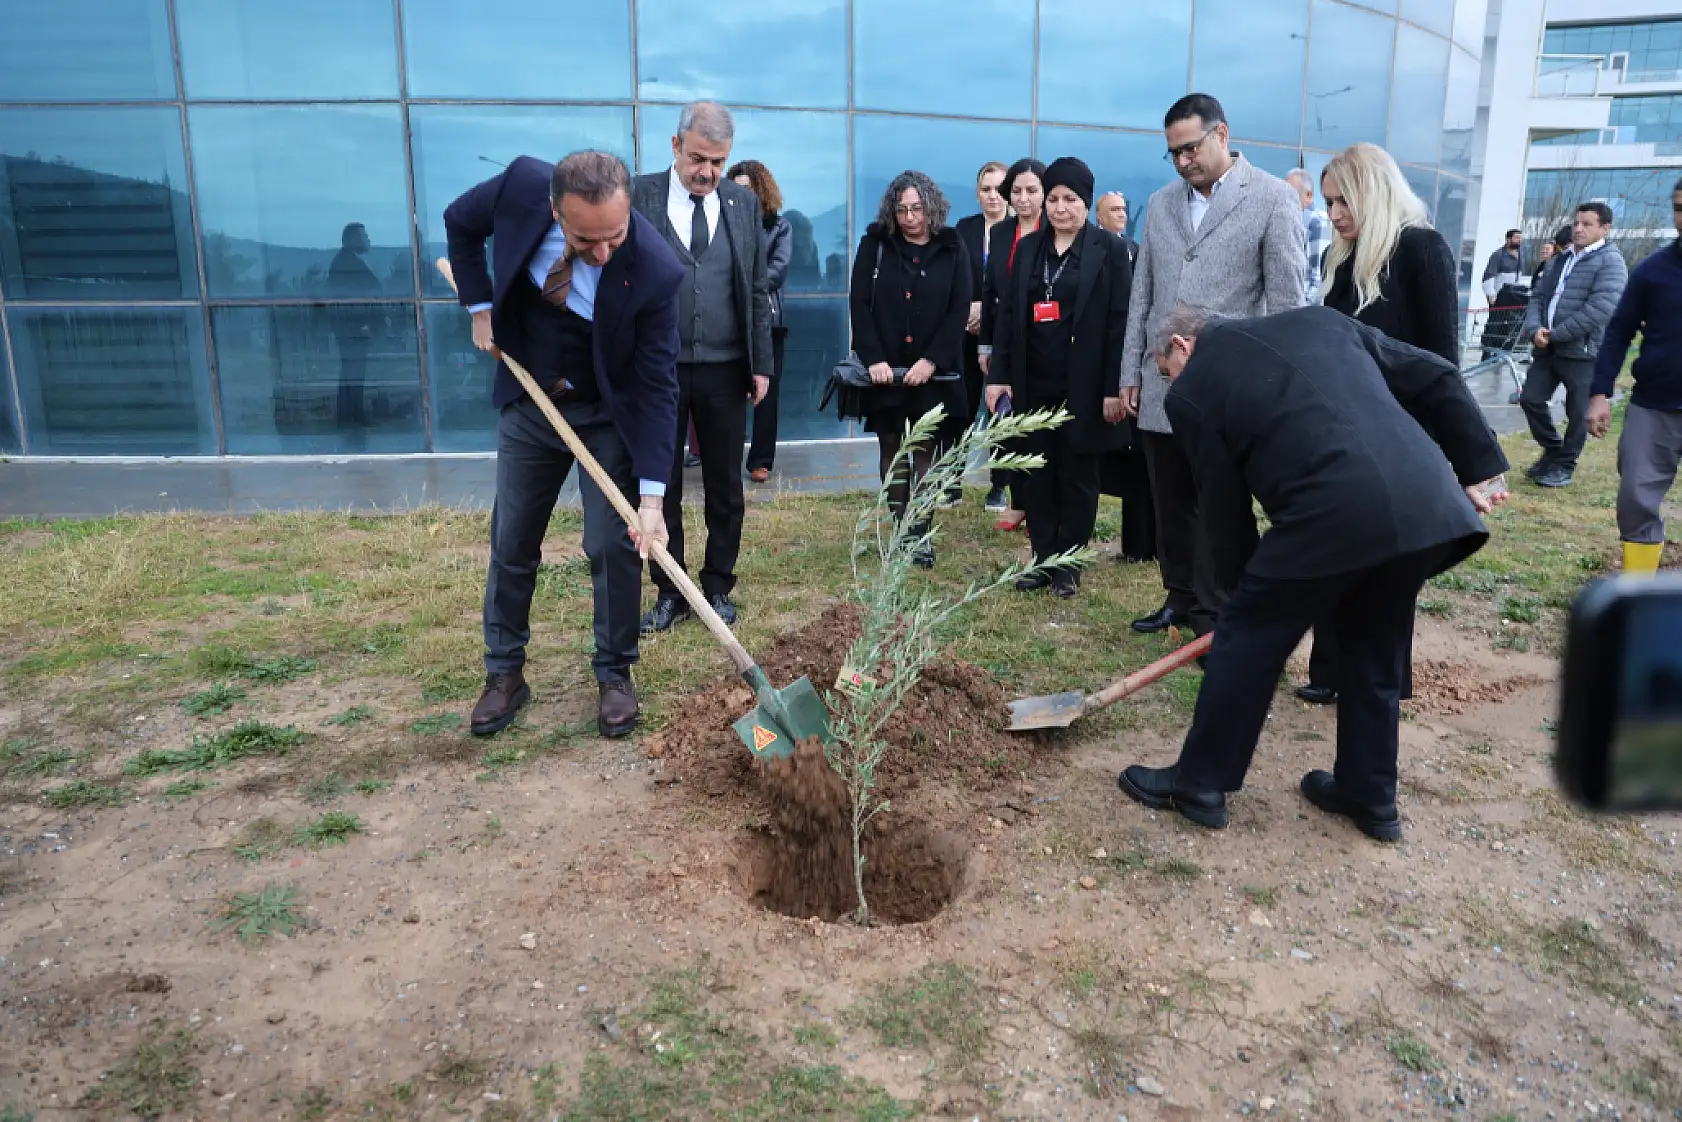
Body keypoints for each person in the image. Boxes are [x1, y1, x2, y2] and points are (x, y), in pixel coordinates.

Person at [1116, 305, 1509, 840]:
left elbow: (1223, 507)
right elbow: (1437, 373)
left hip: (1333, 509)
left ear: (1182, 345)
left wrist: (1240, 605)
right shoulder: (1324, 321)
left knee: (1248, 639)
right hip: (1424, 506)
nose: (1171, 385)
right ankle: (1369, 795)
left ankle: (1198, 783)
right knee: (1373, 646)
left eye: (1166, 372)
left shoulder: (1194, 389)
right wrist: (1479, 464)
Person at [444, 151, 682, 739]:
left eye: (615, 237)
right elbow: (460, 223)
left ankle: (615, 675)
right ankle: (504, 674)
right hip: (530, 400)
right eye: (585, 239)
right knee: (513, 538)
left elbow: (657, 387)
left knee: (612, 544)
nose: (603, 253)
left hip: (605, 413)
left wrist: (652, 501)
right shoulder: (521, 185)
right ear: (554, 211)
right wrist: (479, 308)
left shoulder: (655, 269)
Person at [1119, 93, 1306, 637]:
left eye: (1191, 148)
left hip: (1226, 390)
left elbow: (1288, 304)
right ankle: (1179, 598)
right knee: (1169, 501)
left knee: (1219, 507)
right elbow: (1142, 297)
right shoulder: (1159, 204)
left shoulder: (1272, 199)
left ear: (1222, 135)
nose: (1183, 162)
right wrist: (1129, 373)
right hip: (1160, 384)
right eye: (1173, 153)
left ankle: (1218, 613)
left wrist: (1276, 386)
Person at [1296, 143, 1463, 706]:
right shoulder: (1337, 259)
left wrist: (1446, 447)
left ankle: (1384, 680)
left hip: (1401, 432)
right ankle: (1331, 670)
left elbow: (1442, 360)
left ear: (1375, 193)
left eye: (1344, 200)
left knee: (1388, 566)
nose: (1335, 213)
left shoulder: (1423, 249)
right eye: (1328, 202)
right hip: (1342, 428)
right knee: (1339, 549)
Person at [629, 101, 772, 633]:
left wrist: (762, 366)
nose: (707, 172)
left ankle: (717, 586)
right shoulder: (638, 195)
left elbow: (756, 289)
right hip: (657, 372)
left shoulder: (741, 203)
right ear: (675, 146)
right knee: (658, 483)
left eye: (717, 161)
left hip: (725, 369)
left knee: (724, 487)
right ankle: (671, 590)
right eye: (698, 159)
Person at [985, 157, 1131, 598]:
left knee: (1079, 477)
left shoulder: (1109, 250)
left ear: (1086, 203)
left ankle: (1069, 563)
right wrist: (999, 375)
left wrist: (1112, 389)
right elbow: (1009, 318)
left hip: (1085, 389)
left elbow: (1119, 324)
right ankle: (1043, 558)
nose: (1059, 208)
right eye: (1053, 199)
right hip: (1034, 383)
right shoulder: (1029, 249)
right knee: (1037, 475)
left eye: (1070, 199)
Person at [849, 170, 972, 570]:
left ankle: (920, 533)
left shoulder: (953, 247)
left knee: (924, 451)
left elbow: (959, 309)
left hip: (932, 372)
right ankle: (899, 527)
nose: (909, 217)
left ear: (931, 207)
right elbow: (859, 303)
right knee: (891, 447)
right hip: (885, 370)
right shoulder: (875, 244)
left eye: (916, 208)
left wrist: (932, 359)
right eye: (901, 209)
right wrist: (873, 359)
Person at [1586, 178, 1682, 577]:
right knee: (1635, 499)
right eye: (1679, 207)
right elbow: (1619, 331)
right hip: (1655, 406)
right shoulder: (1652, 272)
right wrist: (1599, 393)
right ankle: (1639, 589)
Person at [1520, 201, 1629, 489]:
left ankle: (1565, 465)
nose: (1578, 229)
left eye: (1587, 224)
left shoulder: (1611, 261)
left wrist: (1555, 333)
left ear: (1605, 228)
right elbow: (1537, 297)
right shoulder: (1560, 259)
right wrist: (1534, 330)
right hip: (1547, 348)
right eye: (1577, 223)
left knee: (1578, 412)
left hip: (1584, 352)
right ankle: (1553, 449)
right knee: (1530, 398)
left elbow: (1600, 308)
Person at [978, 157, 1046, 528]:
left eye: (1031, 191)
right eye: (1016, 191)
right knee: (1010, 423)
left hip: (1046, 343)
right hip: (1007, 341)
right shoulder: (1002, 233)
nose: (1022, 199)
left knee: (1041, 428)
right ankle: (1017, 499)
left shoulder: (1055, 229)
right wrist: (986, 346)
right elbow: (990, 294)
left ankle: (1041, 501)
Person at [950, 161, 1010, 508]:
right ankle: (952, 480)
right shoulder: (964, 229)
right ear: (977, 193)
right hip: (966, 335)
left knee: (1001, 410)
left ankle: (999, 483)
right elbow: (954, 279)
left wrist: (986, 310)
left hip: (1003, 336)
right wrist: (967, 310)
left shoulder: (1020, 231)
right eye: (985, 189)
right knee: (962, 407)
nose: (992, 195)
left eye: (998, 189)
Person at [729, 159, 793, 484]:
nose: (742, 196)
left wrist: (744, 289)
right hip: (727, 320)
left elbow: (777, 270)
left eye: (748, 190)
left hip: (768, 321)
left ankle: (761, 459)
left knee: (767, 393)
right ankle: (725, 455)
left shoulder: (779, 227)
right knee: (728, 390)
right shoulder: (721, 225)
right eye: (737, 189)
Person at [328, 222, 381, 438]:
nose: (368, 240)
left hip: (353, 329)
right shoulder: (345, 265)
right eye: (364, 236)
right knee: (353, 373)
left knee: (353, 373)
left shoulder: (348, 262)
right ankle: (351, 416)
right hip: (353, 330)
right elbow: (348, 299)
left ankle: (351, 415)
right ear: (352, 239)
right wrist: (362, 323)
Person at [1285, 169, 1334, 304]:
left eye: (1290, 193)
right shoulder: (1296, 220)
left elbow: (1316, 278)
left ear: (1308, 195)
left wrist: (1300, 309)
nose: (1283, 198)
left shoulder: (1313, 222)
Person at [1482, 228, 1525, 303]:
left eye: (1521, 238)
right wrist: (1491, 294)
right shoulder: (1498, 254)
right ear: (1508, 239)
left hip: (1514, 294)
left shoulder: (1521, 253)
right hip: (1499, 294)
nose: (1519, 240)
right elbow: (1488, 276)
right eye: (1517, 238)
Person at [1095, 191, 1138, 263]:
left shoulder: (1133, 247)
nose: (1122, 215)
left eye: (1124, 210)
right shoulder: (1087, 242)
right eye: (1115, 209)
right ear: (1099, 215)